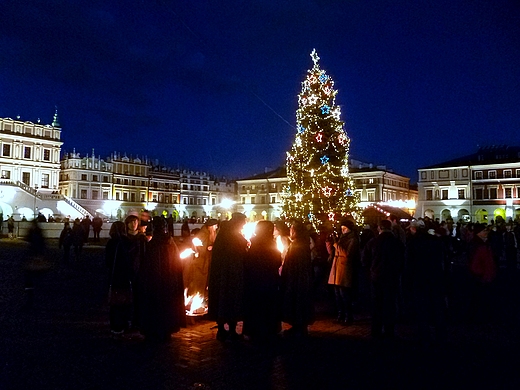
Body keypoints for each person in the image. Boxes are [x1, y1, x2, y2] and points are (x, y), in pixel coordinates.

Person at [139, 217, 185, 342]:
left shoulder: (153, 245)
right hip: (168, 283)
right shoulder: (169, 243)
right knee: (166, 306)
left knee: (156, 306)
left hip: (155, 284)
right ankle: (166, 330)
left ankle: (155, 330)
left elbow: (146, 265)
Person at [207, 213, 248, 341]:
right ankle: (229, 329)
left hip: (223, 272)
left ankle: (223, 328)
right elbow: (239, 249)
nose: (244, 225)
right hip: (230, 273)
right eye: (242, 222)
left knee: (223, 299)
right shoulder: (231, 234)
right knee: (230, 299)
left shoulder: (224, 233)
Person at [405, 219, 447, 344]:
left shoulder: (412, 242)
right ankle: (440, 334)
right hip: (435, 277)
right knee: (437, 307)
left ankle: (424, 334)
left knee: (421, 308)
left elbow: (409, 263)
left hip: (419, 279)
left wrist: (408, 281)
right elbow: (442, 260)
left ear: (414, 229)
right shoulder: (435, 240)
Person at [363, 219, 405, 339]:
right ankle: (389, 330)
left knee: (377, 304)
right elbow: (402, 260)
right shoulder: (397, 243)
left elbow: (364, 260)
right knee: (390, 303)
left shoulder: (373, 242)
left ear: (379, 228)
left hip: (376, 277)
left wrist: (371, 270)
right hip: (392, 277)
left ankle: (376, 330)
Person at [243, 221, 282, 341]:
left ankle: (254, 330)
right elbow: (276, 261)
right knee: (267, 306)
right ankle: (268, 330)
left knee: (255, 306)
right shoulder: (270, 243)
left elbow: (249, 261)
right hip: (268, 280)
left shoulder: (255, 243)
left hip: (255, 281)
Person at [280, 220, 314, 337]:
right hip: (298, 278)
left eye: (291, 229)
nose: (290, 231)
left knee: (297, 301)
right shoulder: (300, 244)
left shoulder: (298, 245)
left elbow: (293, 263)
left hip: (297, 280)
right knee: (298, 302)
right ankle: (298, 326)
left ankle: (299, 327)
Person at [328, 219, 360, 325]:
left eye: (344, 229)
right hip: (336, 268)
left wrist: (336, 244)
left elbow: (347, 254)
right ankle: (340, 314)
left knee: (344, 294)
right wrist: (329, 243)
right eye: (341, 229)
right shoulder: (341, 238)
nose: (342, 231)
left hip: (344, 269)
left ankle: (348, 315)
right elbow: (334, 252)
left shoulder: (353, 240)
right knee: (337, 293)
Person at [105, 221, 132, 336]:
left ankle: (115, 326)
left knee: (115, 303)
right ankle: (125, 323)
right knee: (125, 301)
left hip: (114, 275)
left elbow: (107, 261)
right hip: (126, 275)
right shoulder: (128, 242)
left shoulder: (111, 243)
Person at [467, 223, 497, 323]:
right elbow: (476, 263)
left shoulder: (482, 243)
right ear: (479, 233)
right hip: (481, 277)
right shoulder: (478, 245)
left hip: (483, 275)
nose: (486, 233)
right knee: (480, 298)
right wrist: (481, 274)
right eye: (484, 231)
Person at [185, 218, 218, 298]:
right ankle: (195, 296)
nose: (217, 227)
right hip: (200, 263)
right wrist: (207, 248)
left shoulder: (213, 233)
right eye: (215, 225)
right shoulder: (202, 234)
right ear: (211, 226)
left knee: (205, 280)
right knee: (198, 280)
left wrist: (212, 247)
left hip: (207, 261)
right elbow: (197, 247)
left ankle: (201, 296)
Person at [125, 214, 147, 330]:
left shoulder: (141, 238)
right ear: (127, 224)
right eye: (131, 222)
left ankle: (137, 320)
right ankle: (127, 319)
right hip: (127, 271)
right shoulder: (124, 239)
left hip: (140, 271)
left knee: (139, 297)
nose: (134, 224)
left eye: (135, 222)